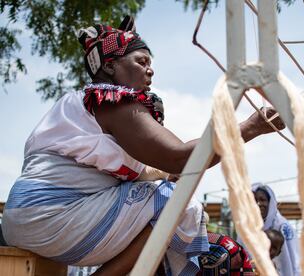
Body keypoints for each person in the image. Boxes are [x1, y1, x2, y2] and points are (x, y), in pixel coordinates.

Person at [1, 16, 286, 276]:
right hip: (49, 217)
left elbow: (164, 167)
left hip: (29, 219)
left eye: (150, 65)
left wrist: (164, 172)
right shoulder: (111, 102)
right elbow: (180, 159)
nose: (150, 72)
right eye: (141, 62)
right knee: (176, 203)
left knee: (182, 214)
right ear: (110, 65)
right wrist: (249, 128)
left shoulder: (85, 108)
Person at [247, 183, 301, 276]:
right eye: (255, 200)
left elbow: (293, 260)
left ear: (270, 202)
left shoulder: (282, 226)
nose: (258, 204)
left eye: (262, 200)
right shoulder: (249, 227)